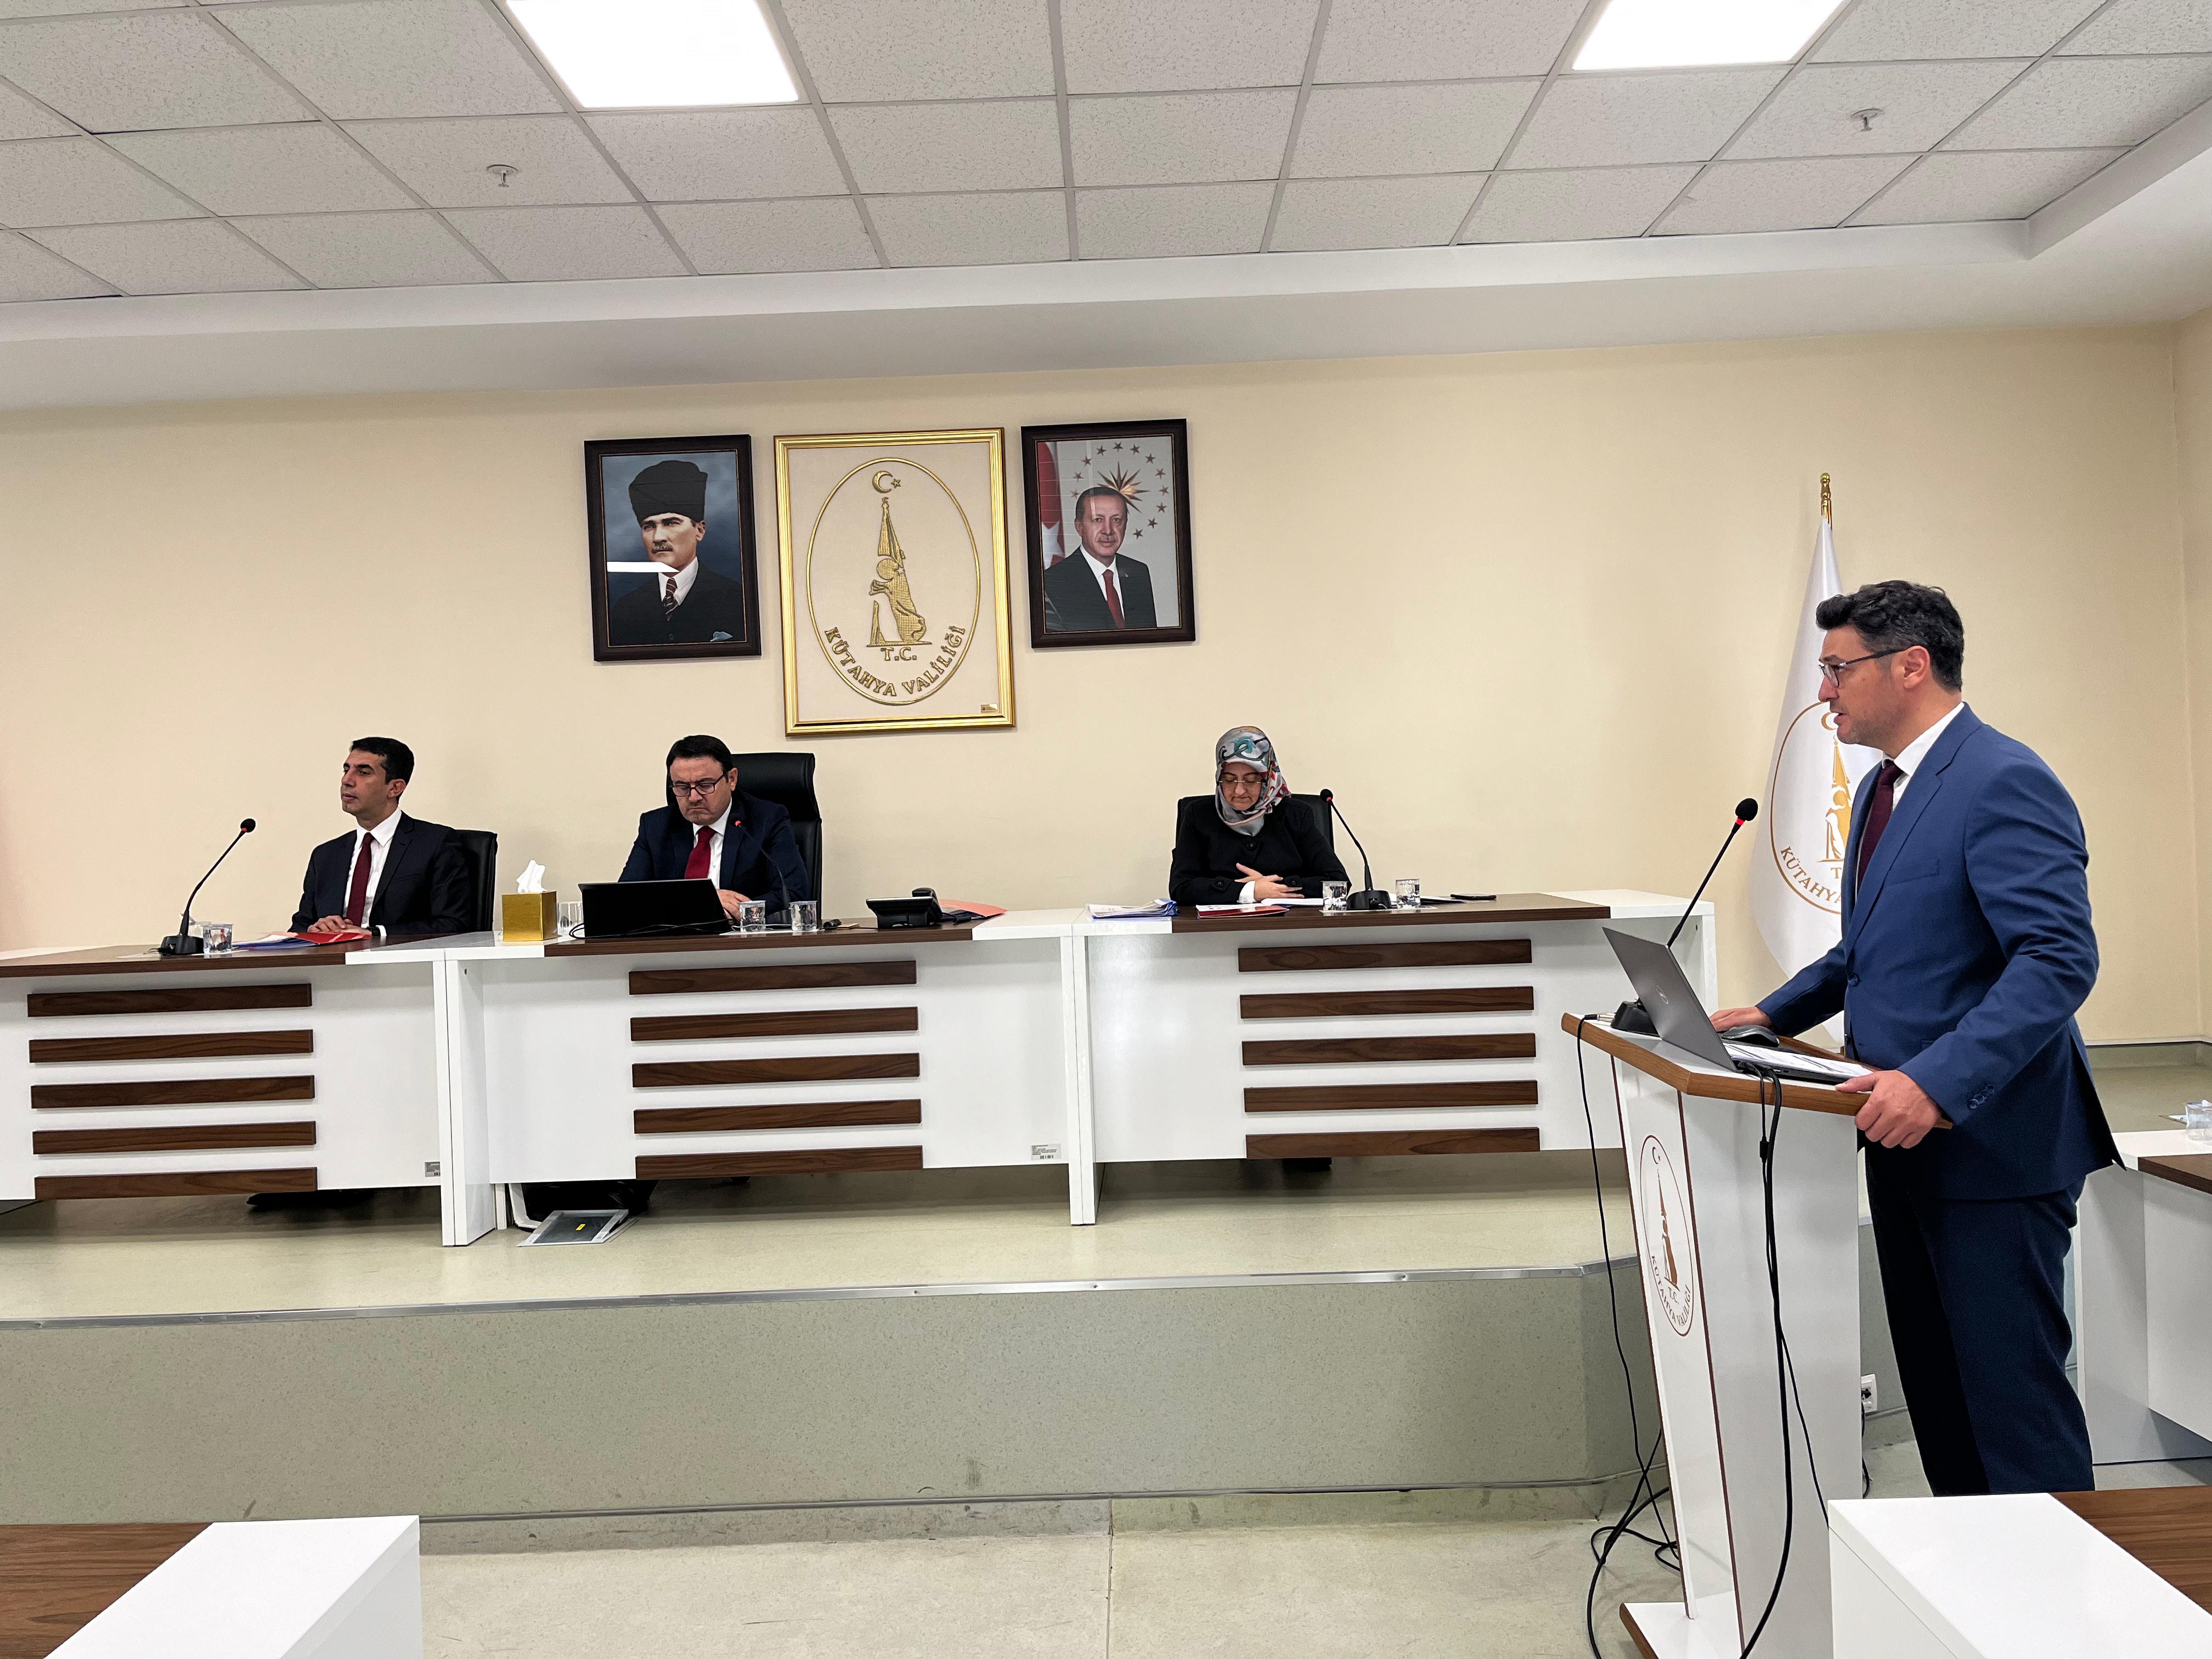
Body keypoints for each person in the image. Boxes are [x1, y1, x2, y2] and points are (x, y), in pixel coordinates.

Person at [1709, 581, 2115, 1497]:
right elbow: (1863, 953)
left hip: (1991, 1144)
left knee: (2010, 1408)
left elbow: (2057, 959)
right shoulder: (1882, 790)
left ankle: (2055, 1583)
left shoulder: (2002, 778)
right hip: (1896, 1136)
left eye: (1837, 669)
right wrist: (1769, 1013)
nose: (1824, 691)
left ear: (1910, 665)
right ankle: (1971, 1576)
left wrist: (1933, 1082)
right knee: (1939, 1395)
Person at [291, 737, 472, 939]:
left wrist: (374, 934)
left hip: (399, 957)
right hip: (333, 957)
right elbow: (300, 927)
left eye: (363, 772)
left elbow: (453, 924)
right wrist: (315, 929)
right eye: (346, 770)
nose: (347, 780)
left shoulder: (435, 844)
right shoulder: (326, 855)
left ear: (395, 788)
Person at [619, 735, 812, 917]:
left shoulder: (766, 820)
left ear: (732, 779)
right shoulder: (655, 826)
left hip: (741, 937)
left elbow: (793, 894)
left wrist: (742, 911)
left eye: (705, 785)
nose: (693, 797)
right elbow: (624, 899)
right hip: (676, 939)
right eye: (682, 787)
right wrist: (702, 902)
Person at [1169, 726, 1346, 907]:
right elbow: (1180, 887)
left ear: (1268, 779)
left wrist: (1272, 888)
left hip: (1289, 923)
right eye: (1229, 780)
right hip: (1221, 924)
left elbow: (1339, 884)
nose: (1239, 791)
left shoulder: (1296, 815)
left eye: (1251, 780)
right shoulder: (1199, 815)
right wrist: (1248, 891)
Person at [606, 459, 749, 646]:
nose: (658, 538)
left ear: (699, 530)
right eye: (649, 526)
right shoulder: (625, 611)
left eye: (671, 523)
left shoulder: (735, 600)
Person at [1042, 486, 1158, 631]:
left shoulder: (1138, 572)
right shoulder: (1052, 581)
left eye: (1116, 520)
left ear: (1125, 525)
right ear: (1079, 527)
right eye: (1098, 520)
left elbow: (1149, 638)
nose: (1108, 531)